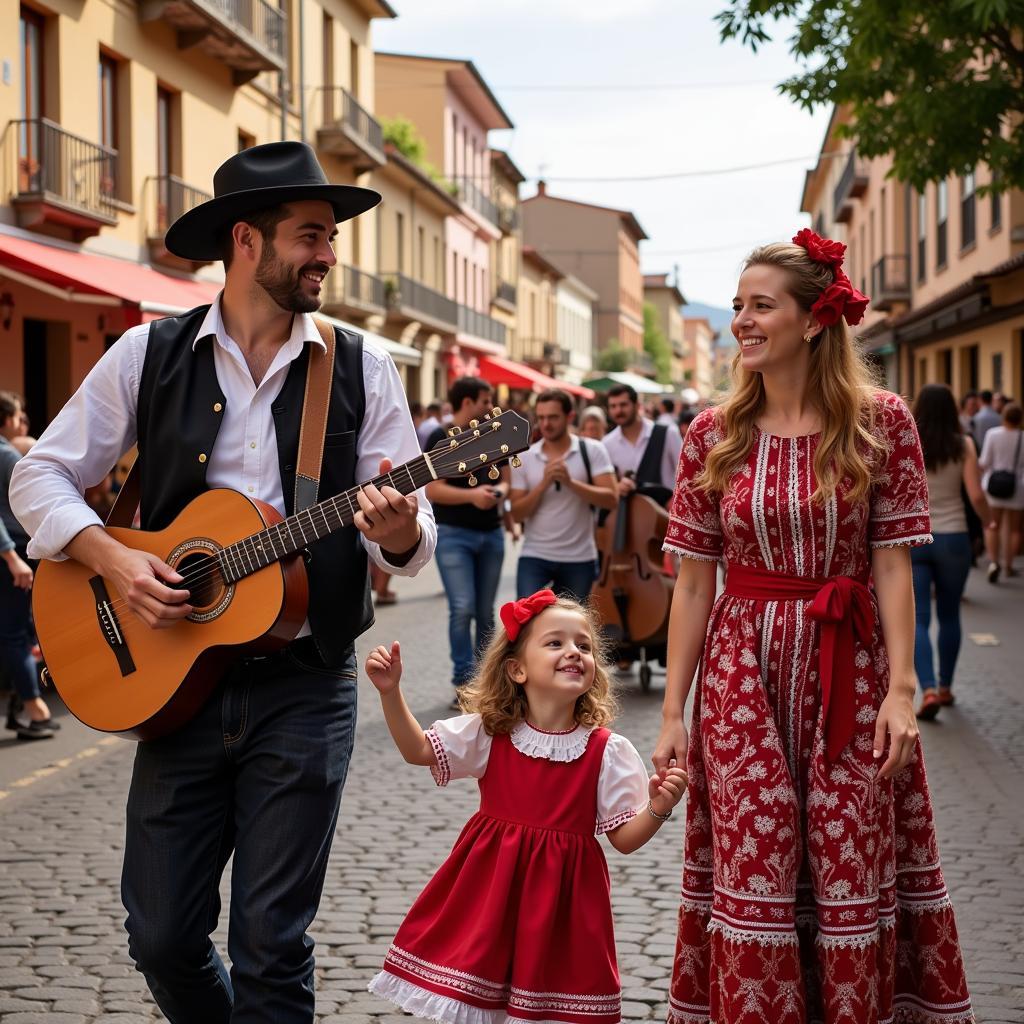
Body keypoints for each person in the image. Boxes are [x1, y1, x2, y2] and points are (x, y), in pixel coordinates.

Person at [10, 141, 437, 1024]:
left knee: (273, 946)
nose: (328, 255)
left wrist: (400, 534)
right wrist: (114, 558)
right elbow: (36, 476)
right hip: (173, 678)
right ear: (248, 240)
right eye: (311, 235)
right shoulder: (146, 354)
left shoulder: (360, 367)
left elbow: (413, 537)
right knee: (160, 934)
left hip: (305, 684)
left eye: (330, 238)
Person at [656, 229, 972, 1023]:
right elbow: (694, 585)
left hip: (851, 669)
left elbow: (894, 563)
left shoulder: (882, 422)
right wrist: (671, 710)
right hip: (740, 677)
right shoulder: (712, 433)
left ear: (814, 318)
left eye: (762, 306)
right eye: (736, 306)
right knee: (755, 864)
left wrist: (904, 689)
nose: (742, 322)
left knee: (848, 859)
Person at [364, 590, 688, 1024]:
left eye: (585, 646)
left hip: (565, 908)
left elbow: (624, 839)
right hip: (489, 893)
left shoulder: (607, 752)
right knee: (485, 999)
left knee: (549, 1004)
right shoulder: (491, 733)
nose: (574, 652)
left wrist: (658, 808)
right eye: (555, 643)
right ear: (517, 669)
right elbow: (418, 749)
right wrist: (390, 693)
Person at [424, 376, 510, 702]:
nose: (490, 407)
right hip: (453, 535)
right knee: (462, 608)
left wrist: (496, 492)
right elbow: (432, 489)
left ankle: (485, 683)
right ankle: (463, 682)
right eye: (485, 400)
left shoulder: (495, 432)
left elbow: (508, 482)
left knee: (486, 612)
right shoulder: (438, 436)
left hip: (491, 532)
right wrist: (473, 496)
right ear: (468, 403)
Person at [910, 384, 993, 720]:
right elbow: (976, 495)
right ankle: (945, 687)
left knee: (917, 619)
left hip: (916, 539)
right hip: (954, 539)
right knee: (948, 615)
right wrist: (989, 524)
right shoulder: (964, 445)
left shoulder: (911, 440)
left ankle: (927, 688)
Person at [510, 389, 617, 600]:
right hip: (535, 555)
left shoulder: (593, 450)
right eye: (541, 418)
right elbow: (517, 514)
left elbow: (611, 499)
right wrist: (543, 485)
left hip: (580, 558)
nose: (546, 424)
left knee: (571, 627)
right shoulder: (525, 457)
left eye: (553, 417)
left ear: (570, 417)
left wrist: (570, 483)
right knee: (527, 625)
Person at [0, 391, 55, 740]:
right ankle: (35, 710)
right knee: (16, 633)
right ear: (7, 420)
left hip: (13, 552)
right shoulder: (6, 453)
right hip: (12, 554)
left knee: (18, 631)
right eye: (20, 417)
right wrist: (13, 558)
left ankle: (21, 709)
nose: (23, 423)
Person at [603, 383, 682, 508]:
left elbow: (688, 474)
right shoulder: (607, 444)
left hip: (668, 513)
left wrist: (677, 500)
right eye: (613, 406)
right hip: (629, 518)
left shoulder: (667, 433)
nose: (618, 410)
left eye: (623, 404)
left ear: (637, 405)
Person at [979, 401, 1024, 582]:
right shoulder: (1023, 437)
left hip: (994, 487)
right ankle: (1009, 565)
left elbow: (984, 462)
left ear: (1003, 417)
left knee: (992, 525)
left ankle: (994, 562)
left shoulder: (993, 435)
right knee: (1015, 530)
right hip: (1018, 487)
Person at [971, 388, 1001, 453]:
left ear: (980, 399)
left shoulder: (976, 418)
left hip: (980, 452)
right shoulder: (999, 417)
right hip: (995, 452)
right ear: (991, 400)